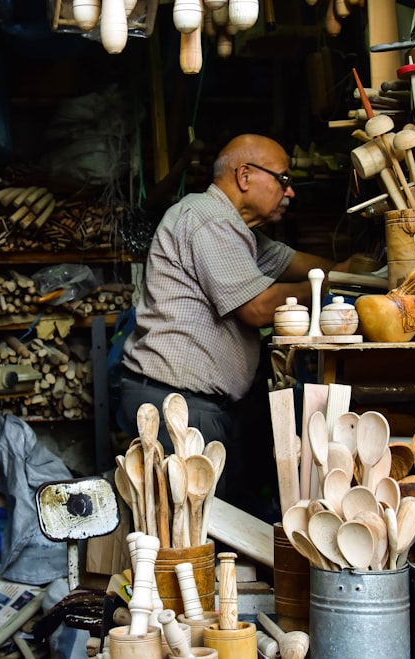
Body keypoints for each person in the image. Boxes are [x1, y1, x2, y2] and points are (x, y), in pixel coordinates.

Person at [118, 134, 349, 505]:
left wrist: (353, 272)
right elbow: (257, 308)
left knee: (217, 523)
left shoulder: (239, 233)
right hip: (176, 406)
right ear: (244, 176)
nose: (290, 193)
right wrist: (329, 283)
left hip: (202, 405)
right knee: (186, 536)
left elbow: (301, 264)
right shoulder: (207, 220)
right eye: (283, 180)